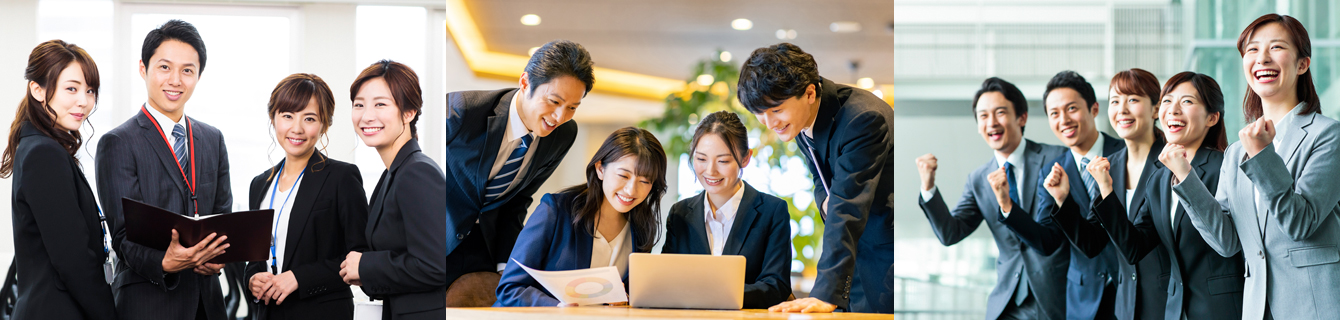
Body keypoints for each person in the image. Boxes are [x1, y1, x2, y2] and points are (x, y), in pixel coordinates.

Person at [1172, 14, 1340, 320]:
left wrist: (1262, 155)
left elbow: (1300, 223)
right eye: (1252, 50)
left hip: (1315, 307)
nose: (1262, 57)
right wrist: (1186, 176)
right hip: (1256, 307)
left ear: (1303, 64)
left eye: (1276, 47)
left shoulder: (1327, 134)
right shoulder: (1236, 152)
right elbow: (1226, 243)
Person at [1068, 71, 1244, 318]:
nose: (1173, 110)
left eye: (1187, 102)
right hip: (1175, 310)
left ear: (1212, 118)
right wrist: (1106, 190)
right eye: (1169, 101)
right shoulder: (1160, 177)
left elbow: (1229, 243)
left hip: (1221, 311)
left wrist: (1185, 175)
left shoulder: (1224, 166)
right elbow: (1134, 248)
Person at [737, 43, 893, 313]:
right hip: (852, 260)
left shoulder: (862, 118)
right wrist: (825, 202)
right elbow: (820, 176)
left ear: (809, 92)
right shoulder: (800, 119)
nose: (769, 123)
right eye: (759, 113)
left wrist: (825, 291)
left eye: (775, 110)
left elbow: (848, 207)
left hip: (885, 261)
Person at [95, 19, 232, 320]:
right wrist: (166, 262)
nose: (176, 80)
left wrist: (220, 256)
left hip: (208, 306)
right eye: (164, 67)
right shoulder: (117, 142)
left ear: (198, 76)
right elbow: (122, 235)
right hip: (148, 304)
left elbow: (223, 217)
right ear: (143, 69)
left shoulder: (212, 139)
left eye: (187, 70)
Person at [440, 39, 590, 306]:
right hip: (435, 243)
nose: (559, 116)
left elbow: (517, 201)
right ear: (524, 82)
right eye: (554, 101)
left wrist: (505, 268)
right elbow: (417, 179)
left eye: (572, 107)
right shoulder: (460, 111)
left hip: (484, 251)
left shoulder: (564, 135)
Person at [916, 77, 1068, 319]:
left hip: (1059, 296)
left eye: (1000, 113)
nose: (992, 123)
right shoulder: (978, 179)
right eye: (983, 116)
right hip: (1008, 302)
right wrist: (928, 186)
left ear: (1022, 117)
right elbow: (950, 233)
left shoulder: (1057, 158)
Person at [999, 70, 1127, 320]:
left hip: (1132, 289)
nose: (1064, 120)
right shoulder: (1053, 171)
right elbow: (1048, 241)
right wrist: (1007, 207)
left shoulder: (1125, 151)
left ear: (1094, 108)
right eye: (1054, 113)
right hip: (1084, 301)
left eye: (1071, 108)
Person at [1045, 69, 1171, 320]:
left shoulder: (1170, 161)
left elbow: (1136, 245)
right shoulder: (1111, 165)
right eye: (1115, 101)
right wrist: (1062, 200)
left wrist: (1106, 190)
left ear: (1156, 109)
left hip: (1165, 299)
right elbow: (1092, 243)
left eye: (1133, 100)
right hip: (1126, 305)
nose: (1122, 110)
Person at [3, 39, 115, 320]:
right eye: (71, 89)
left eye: (90, 90)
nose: (84, 101)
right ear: (37, 90)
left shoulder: (39, 146)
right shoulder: (44, 153)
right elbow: (73, 260)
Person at [494, 127, 667, 307]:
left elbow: (630, 294)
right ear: (600, 169)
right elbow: (510, 288)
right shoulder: (556, 210)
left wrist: (626, 301)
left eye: (644, 181)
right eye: (623, 175)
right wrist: (556, 308)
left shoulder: (642, 229)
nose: (631, 190)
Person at [244, 73, 369, 320]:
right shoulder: (259, 185)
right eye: (287, 116)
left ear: (325, 124)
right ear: (273, 118)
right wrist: (252, 280)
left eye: (309, 118)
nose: (297, 128)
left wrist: (299, 278)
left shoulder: (341, 177)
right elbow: (256, 257)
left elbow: (361, 255)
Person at [337, 60, 446, 320]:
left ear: (409, 112)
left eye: (381, 104)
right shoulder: (392, 173)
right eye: (359, 104)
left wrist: (366, 265)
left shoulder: (417, 172)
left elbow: (436, 265)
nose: (367, 116)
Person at [663, 110, 793, 309]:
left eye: (723, 161)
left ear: (745, 158)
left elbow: (776, 287)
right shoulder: (679, 213)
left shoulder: (772, 211)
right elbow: (667, 279)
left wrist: (712, 295)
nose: (710, 171)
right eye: (701, 159)